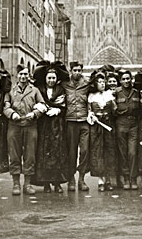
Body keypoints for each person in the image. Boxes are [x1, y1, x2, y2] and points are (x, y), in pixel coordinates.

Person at [3, 65, 46, 196]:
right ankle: (16, 183)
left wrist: (35, 113)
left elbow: (42, 105)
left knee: (30, 155)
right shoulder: (10, 90)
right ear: (17, 76)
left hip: (30, 125)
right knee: (14, 154)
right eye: (21, 74)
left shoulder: (34, 90)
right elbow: (5, 106)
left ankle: (27, 184)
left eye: (25, 74)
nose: (23, 77)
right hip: (14, 126)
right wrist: (11, 114)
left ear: (29, 76)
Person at [33, 62, 68, 193]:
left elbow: (65, 106)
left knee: (57, 152)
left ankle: (57, 182)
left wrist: (58, 110)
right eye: (49, 78)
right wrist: (43, 108)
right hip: (43, 125)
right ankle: (46, 182)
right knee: (43, 152)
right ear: (45, 78)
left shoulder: (60, 90)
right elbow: (36, 102)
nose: (51, 80)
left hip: (57, 125)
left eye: (53, 78)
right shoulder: (40, 89)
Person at [87, 72, 117, 191]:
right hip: (97, 127)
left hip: (108, 125)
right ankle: (100, 180)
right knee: (98, 151)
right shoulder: (91, 96)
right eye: (99, 82)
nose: (102, 84)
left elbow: (115, 110)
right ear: (95, 83)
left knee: (109, 151)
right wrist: (91, 115)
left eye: (103, 82)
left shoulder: (110, 95)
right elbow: (88, 111)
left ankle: (108, 180)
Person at [63, 61, 90, 192]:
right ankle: (71, 179)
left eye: (79, 70)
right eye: (75, 70)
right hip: (70, 121)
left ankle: (82, 179)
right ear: (70, 71)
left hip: (84, 121)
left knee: (84, 151)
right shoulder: (65, 85)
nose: (77, 73)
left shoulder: (87, 85)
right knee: (71, 152)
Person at [115, 69, 140, 190]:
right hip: (120, 123)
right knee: (123, 152)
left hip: (133, 124)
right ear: (120, 81)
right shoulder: (116, 93)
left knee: (132, 152)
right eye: (124, 79)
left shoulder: (136, 92)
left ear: (131, 80)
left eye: (128, 78)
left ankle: (133, 177)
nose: (126, 81)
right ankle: (126, 177)